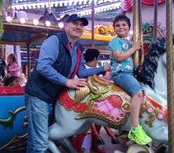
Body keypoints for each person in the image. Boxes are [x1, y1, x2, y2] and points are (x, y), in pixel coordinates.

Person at [25, 14, 111, 152]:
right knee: (41, 141)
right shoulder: (54, 41)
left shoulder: (77, 48)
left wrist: (103, 68)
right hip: (39, 94)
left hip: (54, 96)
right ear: (66, 26)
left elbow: (81, 72)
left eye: (81, 25)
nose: (78, 27)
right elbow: (43, 67)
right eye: (74, 23)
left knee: (38, 138)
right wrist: (67, 81)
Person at [108, 15, 151, 145]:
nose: (121, 27)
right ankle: (134, 129)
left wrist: (137, 47)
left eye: (124, 25)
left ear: (129, 28)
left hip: (129, 73)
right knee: (138, 93)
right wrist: (133, 48)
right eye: (118, 25)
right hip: (120, 73)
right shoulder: (115, 41)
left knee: (144, 94)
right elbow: (119, 57)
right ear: (114, 28)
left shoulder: (127, 43)